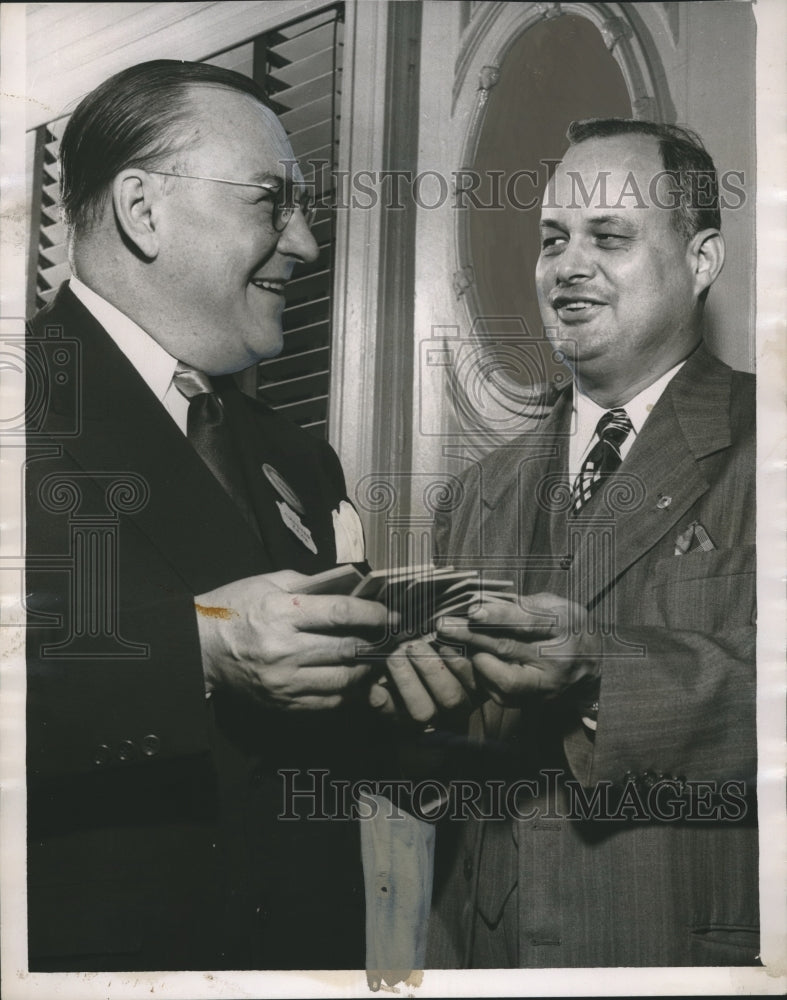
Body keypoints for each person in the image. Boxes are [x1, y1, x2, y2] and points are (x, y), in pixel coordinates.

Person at [25, 60, 396, 972]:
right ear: (142, 210)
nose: (305, 244)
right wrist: (196, 650)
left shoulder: (296, 455)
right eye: (271, 203)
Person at [420, 119, 757, 967]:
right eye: (552, 240)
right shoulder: (471, 494)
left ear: (702, 259)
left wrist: (600, 669)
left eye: (609, 236)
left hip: (685, 955)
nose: (568, 266)